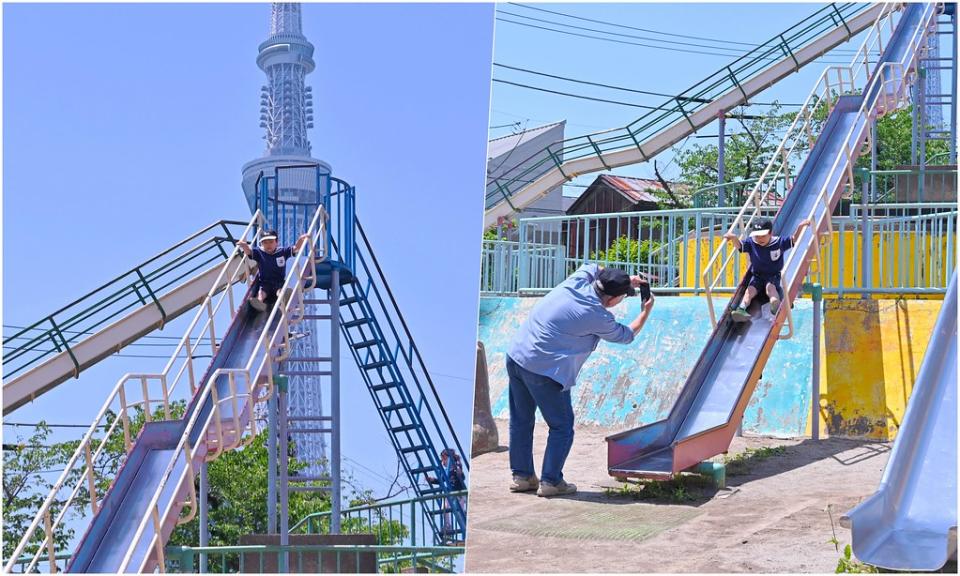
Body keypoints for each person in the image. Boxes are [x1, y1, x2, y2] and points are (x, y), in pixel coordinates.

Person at [506, 264, 655, 497]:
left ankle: (522, 477)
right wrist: (645, 311)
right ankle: (551, 481)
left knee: (521, 420)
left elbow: (594, 266)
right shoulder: (597, 315)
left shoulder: (576, 282)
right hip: (545, 370)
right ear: (615, 298)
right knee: (562, 426)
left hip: (517, 356)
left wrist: (626, 280)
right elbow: (626, 335)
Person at [723, 218, 811, 321]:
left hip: (772, 276)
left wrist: (800, 226)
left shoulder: (778, 242)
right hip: (757, 276)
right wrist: (733, 237)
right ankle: (741, 309)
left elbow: (794, 239)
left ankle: (775, 304)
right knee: (749, 291)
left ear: (770, 233)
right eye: (757, 236)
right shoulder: (752, 242)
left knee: (770, 289)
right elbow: (740, 247)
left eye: (763, 236)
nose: (760, 239)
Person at [237, 230, 311, 312]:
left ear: (277, 242)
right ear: (261, 244)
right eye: (265, 243)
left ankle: (284, 299)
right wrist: (244, 246)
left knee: (280, 292)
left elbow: (296, 248)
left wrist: (300, 239)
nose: (268, 245)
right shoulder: (259, 252)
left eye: (271, 242)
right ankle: (259, 303)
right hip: (265, 282)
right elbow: (249, 252)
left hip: (279, 281)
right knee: (261, 293)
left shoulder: (282, 252)